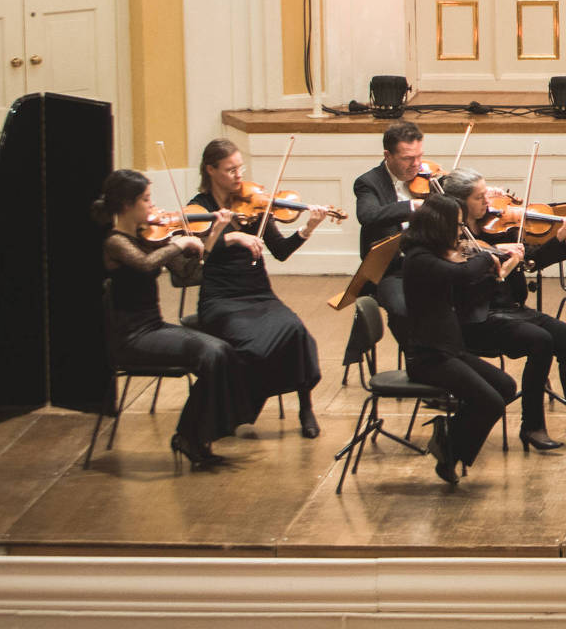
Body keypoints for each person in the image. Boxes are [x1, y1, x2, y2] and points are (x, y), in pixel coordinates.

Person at [443, 170, 566, 452]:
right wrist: (497, 262)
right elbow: (462, 283)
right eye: (479, 196)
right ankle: (532, 425)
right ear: (459, 202)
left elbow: (532, 261)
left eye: (487, 193)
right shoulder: (452, 236)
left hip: (512, 310)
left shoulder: (496, 226)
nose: (489, 200)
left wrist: (560, 238)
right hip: (480, 318)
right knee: (540, 340)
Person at [94, 169, 254, 469]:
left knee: (223, 350)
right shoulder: (116, 242)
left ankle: (197, 434)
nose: (153, 206)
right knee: (211, 352)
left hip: (154, 328)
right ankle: (190, 436)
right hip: (132, 338)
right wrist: (177, 245)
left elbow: (189, 276)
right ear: (127, 205)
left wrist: (211, 236)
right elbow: (143, 265)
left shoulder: (150, 236)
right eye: (146, 200)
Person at [188, 140, 327, 438]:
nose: (239, 175)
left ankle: (305, 407)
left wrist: (308, 228)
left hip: (258, 293)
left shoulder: (255, 201)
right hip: (221, 299)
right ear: (211, 170)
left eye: (241, 167)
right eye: (230, 169)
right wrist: (231, 237)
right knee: (255, 347)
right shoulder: (200, 208)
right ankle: (240, 405)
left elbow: (280, 251)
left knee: (294, 330)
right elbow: (196, 253)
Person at [397, 193, 522, 487]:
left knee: (505, 387)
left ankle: (448, 436)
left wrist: (498, 271)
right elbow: (462, 274)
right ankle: (450, 454)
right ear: (439, 225)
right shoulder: (419, 259)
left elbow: (465, 284)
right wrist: (484, 257)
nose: (460, 231)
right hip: (428, 357)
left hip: (449, 349)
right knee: (491, 403)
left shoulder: (434, 256)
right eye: (456, 225)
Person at [351, 119, 431, 318]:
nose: (417, 164)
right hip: (392, 270)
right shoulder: (369, 183)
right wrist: (412, 206)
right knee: (402, 310)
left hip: (431, 263)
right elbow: (368, 215)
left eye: (419, 156)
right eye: (408, 158)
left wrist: (478, 193)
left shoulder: (428, 177)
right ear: (388, 155)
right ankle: (415, 349)